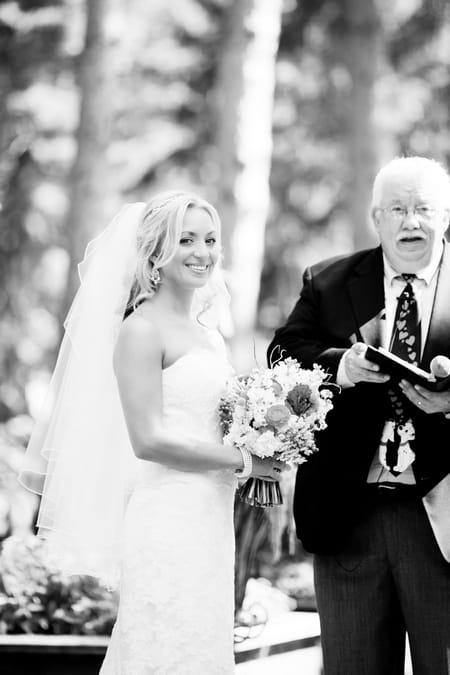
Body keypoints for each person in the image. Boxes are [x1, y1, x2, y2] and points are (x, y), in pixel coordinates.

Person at [19, 191, 284, 675]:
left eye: (210, 239)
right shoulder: (140, 330)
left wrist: (265, 435)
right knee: (163, 648)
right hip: (166, 519)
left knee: (201, 650)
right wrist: (246, 462)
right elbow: (149, 441)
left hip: (212, 517)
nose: (202, 252)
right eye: (185, 240)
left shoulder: (209, 333)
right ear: (155, 252)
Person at [268, 156, 450, 675]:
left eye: (423, 209)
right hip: (348, 513)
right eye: (396, 209)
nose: (410, 222)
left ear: (446, 215)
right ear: (376, 218)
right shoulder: (327, 281)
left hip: (444, 515)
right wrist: (339, 368)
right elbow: (282, 356)